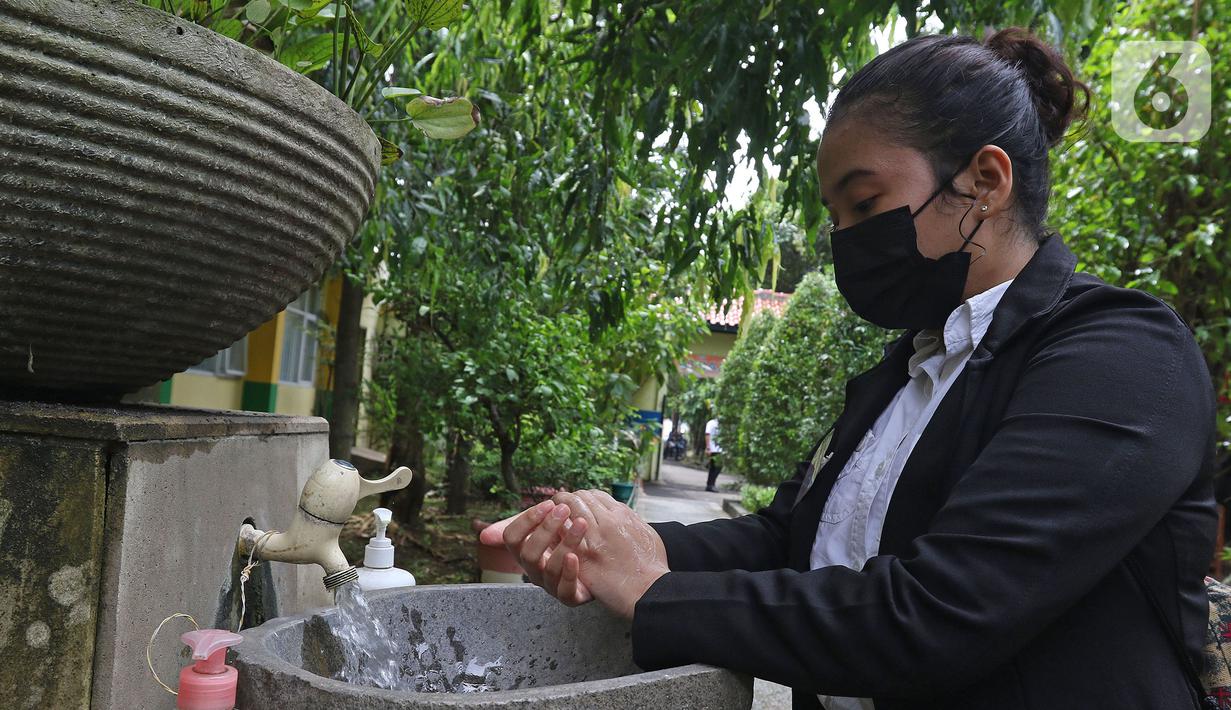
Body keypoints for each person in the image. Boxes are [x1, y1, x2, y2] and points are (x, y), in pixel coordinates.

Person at [480, 27, 1218, 710]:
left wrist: (652, 590)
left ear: (984, 182)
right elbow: (784, 538)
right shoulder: (902, 374)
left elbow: (939, 614)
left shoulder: (1122, 358)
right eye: (835, 218)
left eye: (865, 203)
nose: (844, 243)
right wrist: (608, 535)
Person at [704, 416, 722, 492]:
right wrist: (708, 447)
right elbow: (707, 434)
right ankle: (711, 485)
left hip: (720, 449)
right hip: (713, 448)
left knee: (716, 467)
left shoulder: (723, 425)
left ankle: (710, 484)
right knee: (716, 467)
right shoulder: (711, 423)